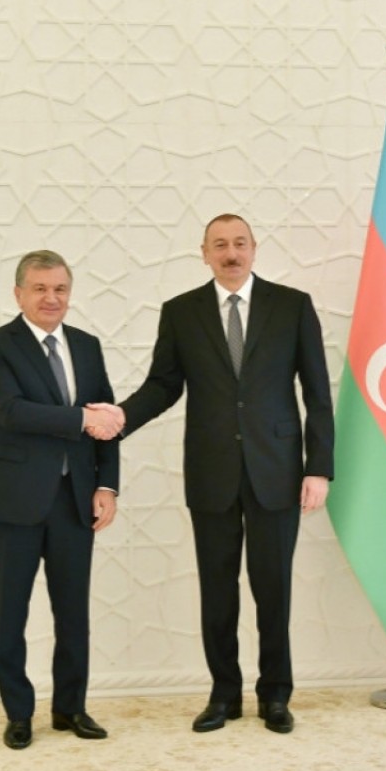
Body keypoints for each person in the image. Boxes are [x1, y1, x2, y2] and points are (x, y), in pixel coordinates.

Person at [90, 214, 333, 734]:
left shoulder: (292, 306)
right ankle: (224, 695)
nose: (231, 253)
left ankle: (275, 696)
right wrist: (120, 418)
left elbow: (317, 392)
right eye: (219, 244)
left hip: (277, 471)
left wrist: (319, 468)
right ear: (204, 253)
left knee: (273, 589)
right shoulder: (181, 312)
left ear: (254, 248)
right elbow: (163, 385)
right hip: (211, 472)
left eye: (240, 243)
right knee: (217, 592)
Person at [0, 250, 124, 750]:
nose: (51, 298)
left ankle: (70, 708)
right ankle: (19, 714)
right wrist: (81, 420)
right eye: (39, 288)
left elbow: (107, 420)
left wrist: (107, 485)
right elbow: (10, 411)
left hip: (75, 500)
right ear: (19, 294)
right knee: (9, 614)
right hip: (12, 501)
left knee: (73, 612)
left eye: (59, 288)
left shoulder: (87, 345)